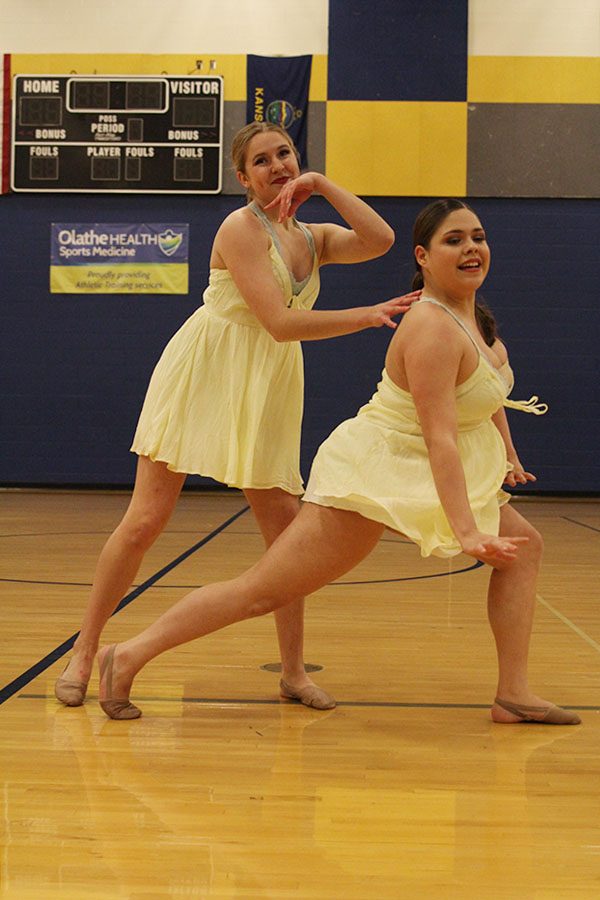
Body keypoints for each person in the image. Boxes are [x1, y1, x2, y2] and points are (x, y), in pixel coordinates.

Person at [95, 197, 580, 726]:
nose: (471, 248)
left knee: (524, 547)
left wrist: (507, 452)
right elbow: (439, 437)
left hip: (418, 471)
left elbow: (485, 396)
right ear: (423, 256)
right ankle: (127, 655)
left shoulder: (474, 322)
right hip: (375, 474)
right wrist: (466, 531)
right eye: (454, 240)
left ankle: (513, 693)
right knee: (260, 592)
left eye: (477, 237)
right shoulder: (432, 328)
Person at [55, 122, 420, 712]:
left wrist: (322, 183)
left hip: (270, 384)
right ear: (243, 176)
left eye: (286, 155)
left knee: (287, 537)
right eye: (262, 160)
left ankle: (293, 672)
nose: (278, 165)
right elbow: (278, 322)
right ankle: (83, 650)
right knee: (146, 519)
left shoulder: (313, 235)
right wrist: (365, 315)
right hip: (206, 370)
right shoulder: (239, 227)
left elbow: (380, 239)